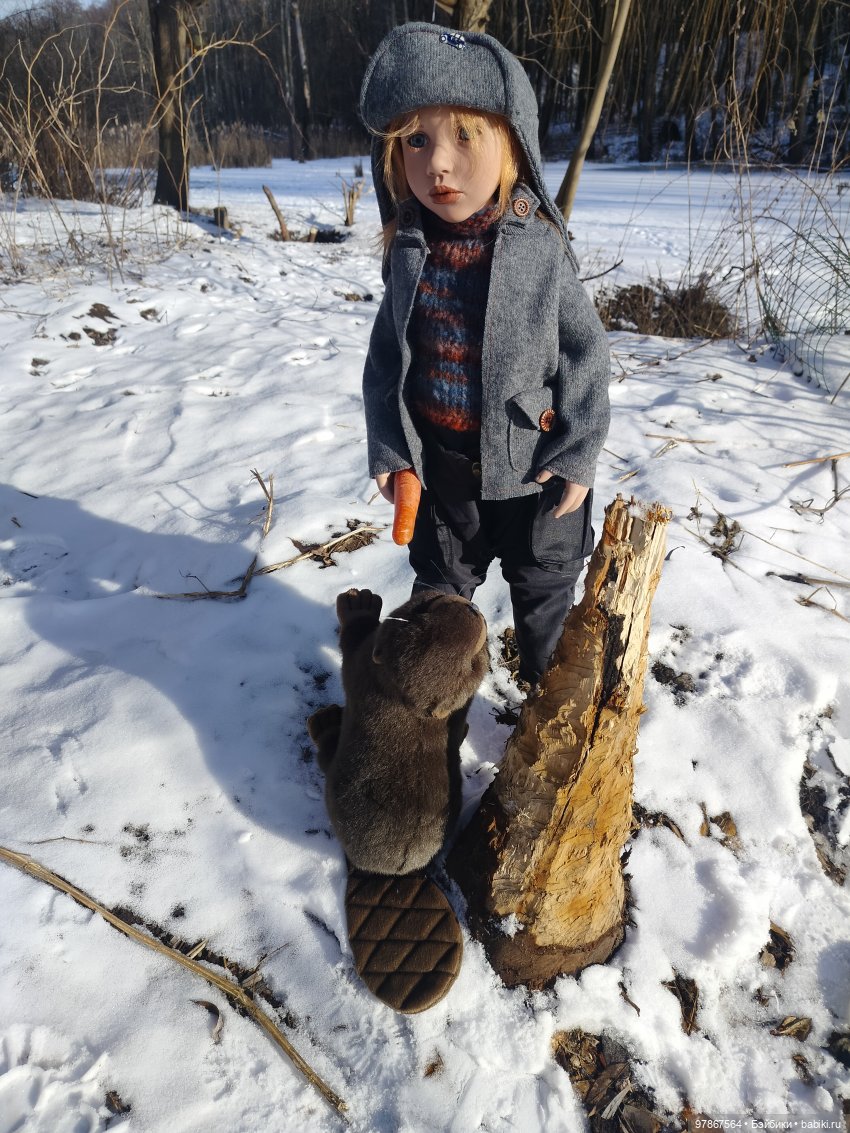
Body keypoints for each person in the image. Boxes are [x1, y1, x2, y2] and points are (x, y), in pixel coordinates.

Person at [359, 22, 611, 687]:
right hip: (444, 479)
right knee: (435, 618)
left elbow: (586, 353)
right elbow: (386, 362)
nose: (438, 164)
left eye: (466, 136)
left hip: (537, 479)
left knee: (546, 609)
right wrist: (390, 447)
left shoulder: (540, 247)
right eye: (417, 141)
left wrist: (578, 451)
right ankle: (419, 726)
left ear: (513, 145)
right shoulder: (409, 249)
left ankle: (550, 714)